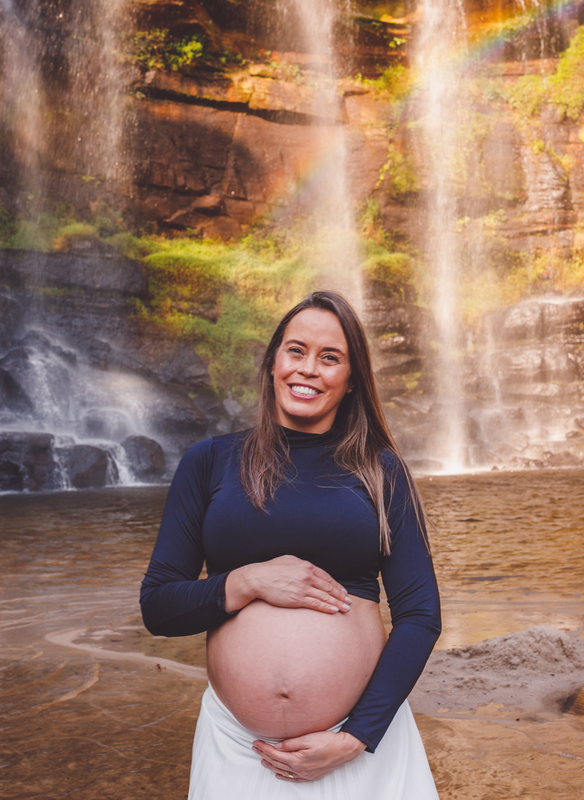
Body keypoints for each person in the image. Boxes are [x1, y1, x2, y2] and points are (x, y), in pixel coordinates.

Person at [141, 290, 441, 798]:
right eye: (295, 351)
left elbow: (420, 614)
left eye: (330, 358)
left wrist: (357, 736)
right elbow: (158, 606)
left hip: (359, 752)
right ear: (273, 363)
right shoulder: (209, 462)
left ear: (351, 381)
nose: (308, 370)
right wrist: (246, 581)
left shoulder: (381, 470)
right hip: (238, 748)